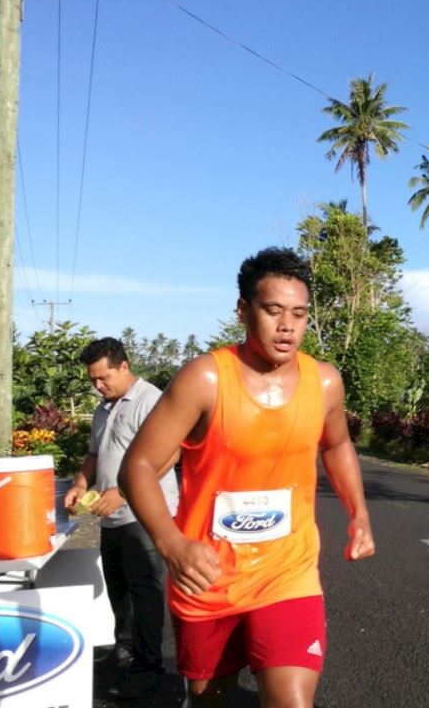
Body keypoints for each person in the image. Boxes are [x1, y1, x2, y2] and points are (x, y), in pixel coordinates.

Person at [119, 247, 376, 708]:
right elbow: (137, 465)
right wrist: (172, 544)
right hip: (209, 578)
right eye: (273, 310)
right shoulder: (205, 380)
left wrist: (359, 514)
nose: (287, 326)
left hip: (288, 573)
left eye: (298, 314)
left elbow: (336, 444)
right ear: (243, 310)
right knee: (209, 700)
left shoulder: (324, 383)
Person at [65, 336, 179, 700]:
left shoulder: (153, 401)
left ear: (124, 366)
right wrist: (81, 484)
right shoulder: (103, 408)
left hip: (144, 514)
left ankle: (150, 667)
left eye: (104, 378)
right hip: (110, 515)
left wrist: (126, 492)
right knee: (118, 589)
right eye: (93, 380)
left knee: (145, 591)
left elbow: (170, 455)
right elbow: (95, 454)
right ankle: (124, 651)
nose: (98, 385)